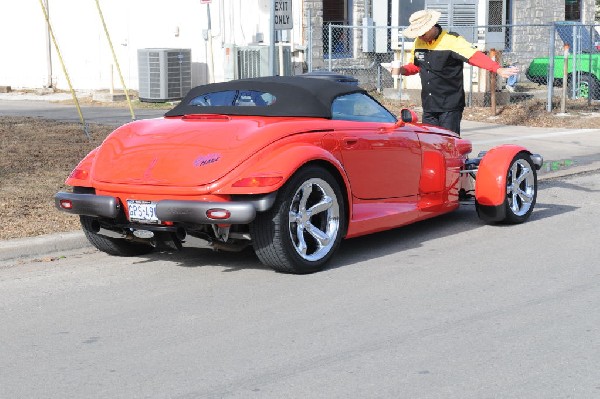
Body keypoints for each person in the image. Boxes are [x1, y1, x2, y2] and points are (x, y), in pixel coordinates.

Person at [396, 9, 518, 134]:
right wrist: (402, 70)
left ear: (432, 26)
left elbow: (474, 56)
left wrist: (497, 68)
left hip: (450, 105)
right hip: (429, 105)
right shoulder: (419, 42)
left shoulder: (452, 41)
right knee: (430, 143)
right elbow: (416, 66)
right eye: (418, 33)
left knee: (448, 143)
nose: (420, 36)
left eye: (423, 32)